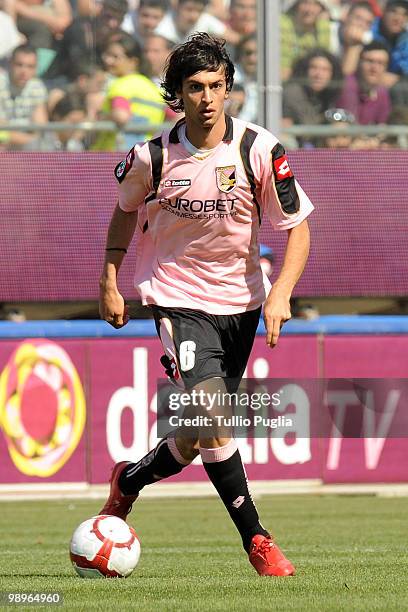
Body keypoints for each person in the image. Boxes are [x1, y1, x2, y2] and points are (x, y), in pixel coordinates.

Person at [98, 32, 313, 577]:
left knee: (196, 436)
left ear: (229, 90)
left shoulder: (259, 150)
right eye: (195, 87)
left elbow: (298, 229)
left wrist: (281, 292)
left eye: (217, 86)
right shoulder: (151, 156)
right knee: (215, 417)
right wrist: (109, 278)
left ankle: (128, 481)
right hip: (176, 298)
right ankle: (258, 541)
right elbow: (125, 212)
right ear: (177, 94)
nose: (209, 98)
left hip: (241, 302)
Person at [93, 32, 166, 150]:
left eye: (115, 57)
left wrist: (101, 119)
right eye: (107, 55)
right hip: (145, 156)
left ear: (133, 61)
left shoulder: (120, 85)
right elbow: (177, 117)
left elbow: (121, 115)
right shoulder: (153, 88)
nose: (108, 61)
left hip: (112, 157)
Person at [0, 44, 48, 150]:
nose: (24, 71)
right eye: (19, 65)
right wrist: (31, 140)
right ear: (10, 64)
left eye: (30, 66)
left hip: (27, 147)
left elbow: (40, 127)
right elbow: (2, 131)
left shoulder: (37, 87)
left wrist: (31, 140)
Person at [336, 41, 391, 124]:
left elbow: (382, 127)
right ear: (359, 62)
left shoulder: (382, 92)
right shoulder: (346, 85)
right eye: (370, 61)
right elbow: (345, 125)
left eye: (380, 63)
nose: (374, 68)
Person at [280, 0, 332, 81]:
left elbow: (324, 65)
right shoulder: (282, 24)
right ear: (295, 5)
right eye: (304, 2)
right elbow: (283, 73)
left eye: (316, 4)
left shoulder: (323, 26)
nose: (309, 10)